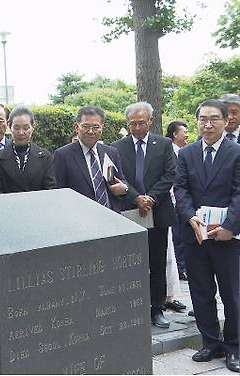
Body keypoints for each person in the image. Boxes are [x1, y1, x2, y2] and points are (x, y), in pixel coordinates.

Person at [174, 99, 240, 372]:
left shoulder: (236, 153)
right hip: (196, 235)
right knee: (201, 292)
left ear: (226, 121)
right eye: (202, 119)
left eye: (214, 118)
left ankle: (234, 347)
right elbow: (181, 190)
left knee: (232, 294)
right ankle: (210, 342)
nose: (207, 124)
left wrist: (229, 227)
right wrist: (190, 217)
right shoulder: (187, 153)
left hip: (226, 237)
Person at [110, 102, 176, 329]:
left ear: (150, 120)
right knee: (131, 262)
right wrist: (136, 197)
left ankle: (157, 308)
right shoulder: (117, 147)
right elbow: (116, 178)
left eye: (141, 122)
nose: (137, 128)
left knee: (157, 262)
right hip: (129, 211)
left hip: (157, 212)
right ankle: (132, 306)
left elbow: (170, 175)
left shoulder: (164, 144)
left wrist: (150, 199)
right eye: (132, 124)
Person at [54, 105, 128, 211]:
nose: (90, 131)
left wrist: (124, 188)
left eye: (95, 127)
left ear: (102, 128)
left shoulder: (111, 152)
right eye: (86, 126)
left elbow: (121, 179)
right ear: (76, 127)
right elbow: (59, 192)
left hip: (111, 217)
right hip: (80, 218)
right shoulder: (63, 155)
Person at [0, 105, 56, 195]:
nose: (21, 132)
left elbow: (50, 189)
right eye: (16, 128)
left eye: (26, 128)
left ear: (33, 127)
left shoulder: (45, 157)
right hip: (8, 207)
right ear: (9, 126)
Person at [166, 119, 189, 282]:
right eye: (184, 132)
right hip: (170, 202)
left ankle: (182, 266)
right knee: (176, 236)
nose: (187, 135)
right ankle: (180, 268)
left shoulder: (184, 152)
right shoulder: (168, 152)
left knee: (181, 235)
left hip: (181, 202)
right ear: (175, 134)